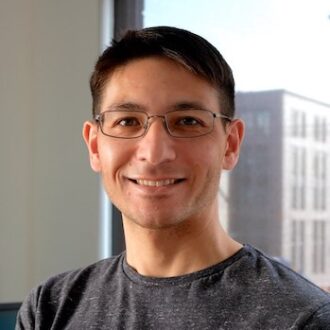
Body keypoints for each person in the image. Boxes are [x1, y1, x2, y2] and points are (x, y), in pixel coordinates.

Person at [16, 26, 330, 329]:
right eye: (127, 121)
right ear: (95, 145)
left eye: (188, 121)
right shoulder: (50, 308)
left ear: (230, 144)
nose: (154, 153)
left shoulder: (302, 318)